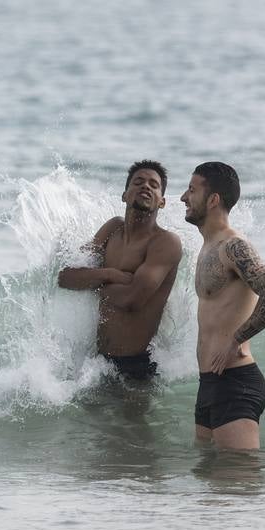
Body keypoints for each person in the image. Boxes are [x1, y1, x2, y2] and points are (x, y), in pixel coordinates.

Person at [181, 162, 265, 450]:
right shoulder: (208, 245)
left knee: (238, 482)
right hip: (210, 383)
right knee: (209, 480)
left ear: (213, 199)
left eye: (191, 190)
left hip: (235, 383)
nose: (183, 197)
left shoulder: (233, 247)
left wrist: (236, 339)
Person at [58, 160, 183, 381]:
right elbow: (66, 277)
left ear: (162, 202)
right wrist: (110, 274)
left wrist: (93, 285)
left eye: (154, 185)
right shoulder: (112, 229)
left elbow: (133, 300)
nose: (146, 186)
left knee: (131, 418)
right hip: (97, 364)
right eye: (138, 182)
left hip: (136, 366)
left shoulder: (164, 242)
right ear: (125, 195)